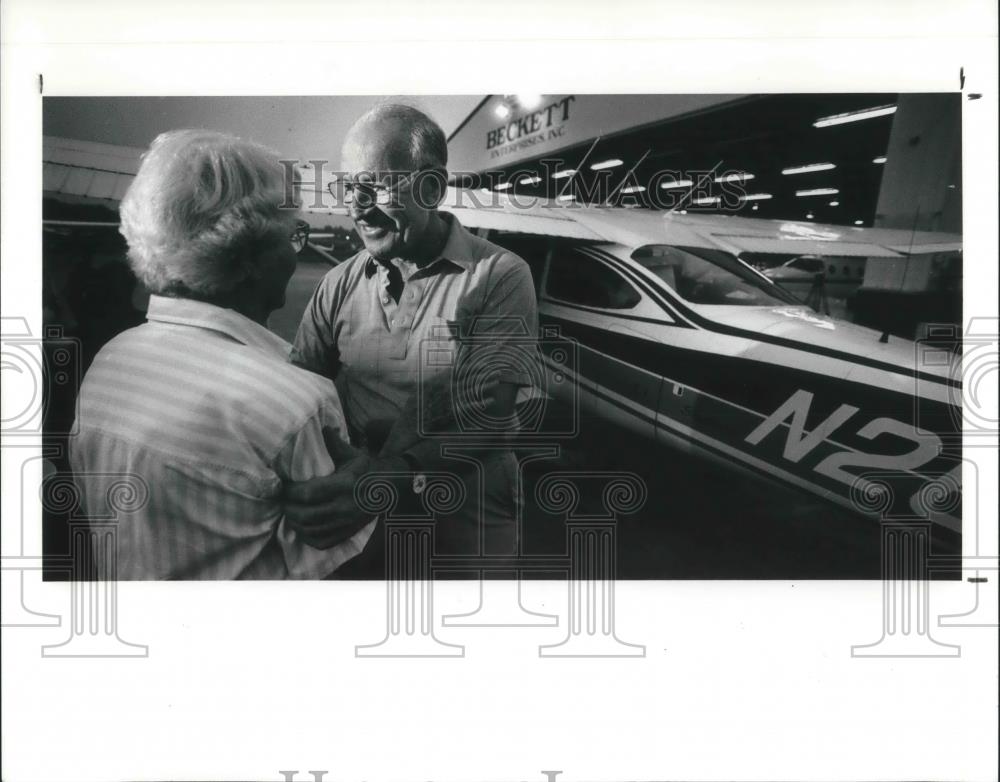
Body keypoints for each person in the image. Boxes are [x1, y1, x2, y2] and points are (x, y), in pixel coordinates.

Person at [70, 129, 373, 579]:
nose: (295, 257)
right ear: (249, 255)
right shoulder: (292, 403)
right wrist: (375, 486)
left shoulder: (110, 361)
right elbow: (342, 570)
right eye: (292, 237)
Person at [286, 103, 538, 569]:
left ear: (433, 188)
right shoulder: (338, 282)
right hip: (358, 516)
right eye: (347, 187)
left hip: (464, 519)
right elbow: (298, 390)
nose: (356, 206)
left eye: (374, 187)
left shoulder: (502, 275)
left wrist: (389, 481)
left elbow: (495, 419)